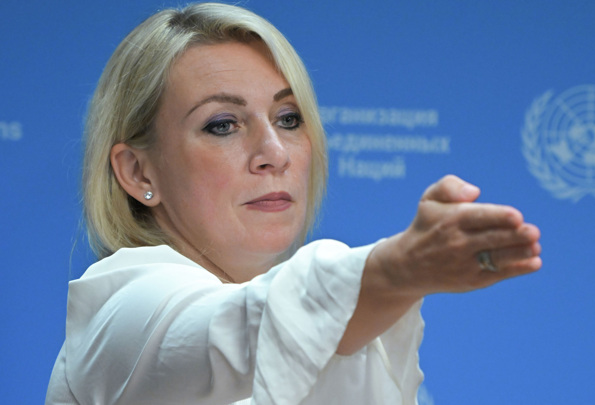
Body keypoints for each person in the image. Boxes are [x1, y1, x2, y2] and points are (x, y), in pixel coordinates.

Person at [46, 3, 542, 404]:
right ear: (138, 172)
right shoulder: (124, 310)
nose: (275, 153)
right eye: (223, 125)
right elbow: (238, 331)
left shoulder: (353, 332)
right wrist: (396, 270)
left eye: (288, 119)